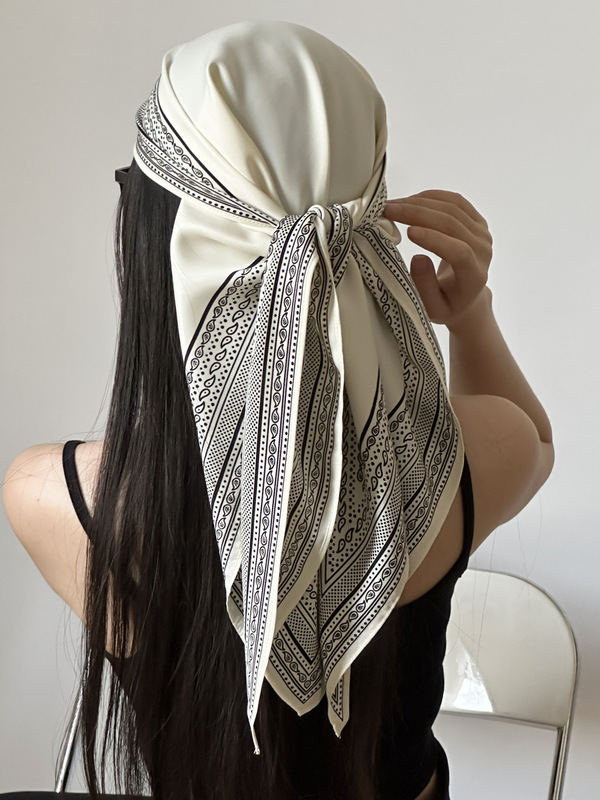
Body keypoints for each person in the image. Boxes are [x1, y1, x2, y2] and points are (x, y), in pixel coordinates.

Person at [2, 20, 554, 800]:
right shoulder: (471, 455)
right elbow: (534, 443)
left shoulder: (51, 496)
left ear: (154, 234)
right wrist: (470, 317)